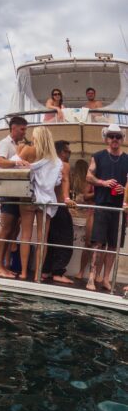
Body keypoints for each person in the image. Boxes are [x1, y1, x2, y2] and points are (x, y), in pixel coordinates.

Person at [85, 124, 128, 291]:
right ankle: (91, 277)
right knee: (98, 243)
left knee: (113, 246)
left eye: (118, 136)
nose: (115, 139)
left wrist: (124, 190)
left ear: (122, 139)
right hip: (102, 206)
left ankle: (105, 278)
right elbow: (89, 176)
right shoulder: (98, 156)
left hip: (119, 210)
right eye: (111, 136)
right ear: (106, 138)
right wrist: (103, 182)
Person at [16, 127, 62, 281]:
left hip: (28, 198)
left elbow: (16, 169)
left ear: (36, 138)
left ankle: (23, 272)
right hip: (46, 200)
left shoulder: (28, 151)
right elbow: (56, 182)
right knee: (42, 239)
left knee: (26, 236)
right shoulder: (56, 160)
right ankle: (37, 275)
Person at [0, 116, 30, 278]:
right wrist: (16, 163)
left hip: (15, 192)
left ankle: (3, 266)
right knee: (6, 228)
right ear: (14, 128)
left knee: (12, 230)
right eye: (22, 129)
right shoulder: (4, 143)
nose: (24, 132)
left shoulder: (16, 146)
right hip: (7, 192)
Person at [42, 140, 76, 284]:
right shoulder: (64, 165)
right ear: (60, 152)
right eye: (67, 151)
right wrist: (67, 198)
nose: (69, 154)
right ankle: (57, 272)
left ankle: (45, 271)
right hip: (60, 206)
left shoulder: (47, 164)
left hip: (49, 207)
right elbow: (65, 181)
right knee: (65, 241)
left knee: (50, 240)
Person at [71, 159, 96, 280]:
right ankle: (81, 271)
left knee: (102, 247)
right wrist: (100, 191)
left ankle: (96, 275)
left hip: (102, 213)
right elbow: (86, 196)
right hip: (91, 213)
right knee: (88, 243)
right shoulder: (91, 180)